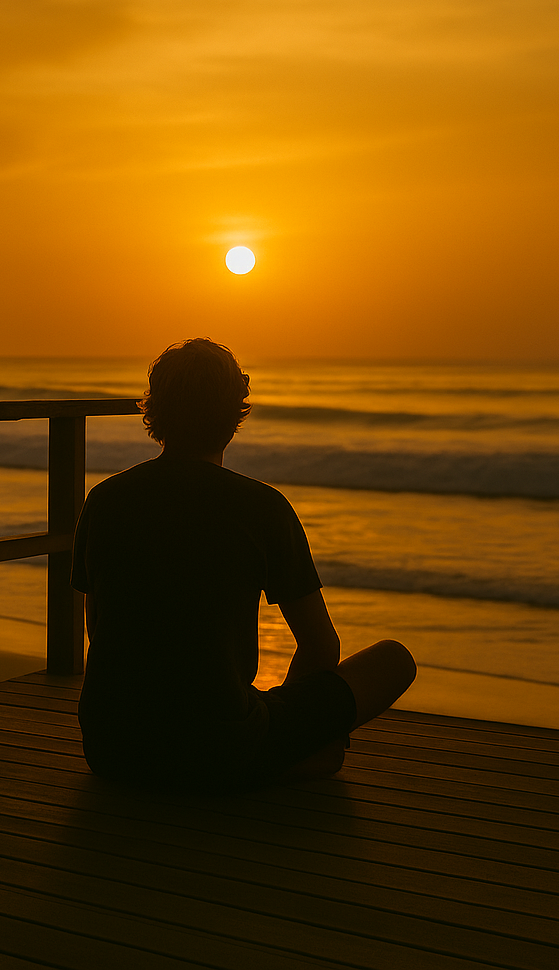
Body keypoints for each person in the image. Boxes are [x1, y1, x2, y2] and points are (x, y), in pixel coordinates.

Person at [71, 338, 416, 791]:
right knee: (393, 661)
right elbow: (319, 645)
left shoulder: (105, 501)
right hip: (217, 745)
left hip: (113, 749)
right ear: (235, 415)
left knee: (278, 732)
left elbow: (99, 629)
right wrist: (298, 722)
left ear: (155, 411)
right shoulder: (262, 507)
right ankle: (263, 758)